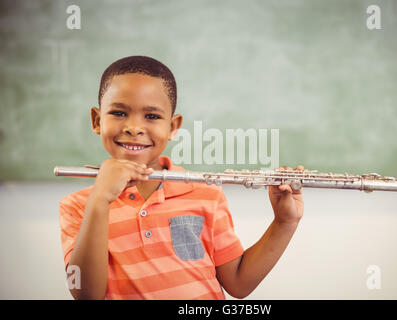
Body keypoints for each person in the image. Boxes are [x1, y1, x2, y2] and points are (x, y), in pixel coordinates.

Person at [59, 55, 304, 300]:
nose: (134, 127)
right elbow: (86, 295)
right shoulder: (79, 207)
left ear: (173, 126)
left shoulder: (205, 192)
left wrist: (284, 223)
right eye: (119, 113)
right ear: (96, 120)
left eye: (152, 116)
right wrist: (100, 201)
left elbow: (239, 284)